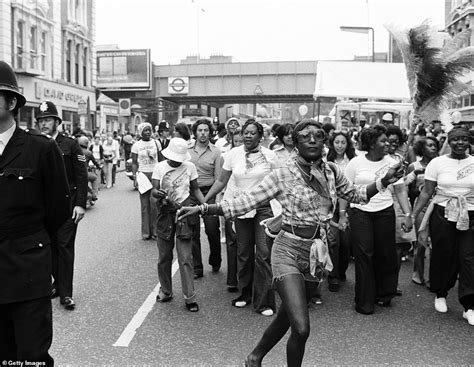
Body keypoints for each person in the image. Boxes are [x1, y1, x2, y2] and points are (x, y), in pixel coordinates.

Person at [177, 119, 404, 366]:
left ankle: (254, 357)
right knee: (302, 327)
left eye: (318, 135)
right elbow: (244, 202)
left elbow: (357, 195)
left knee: (288, 317)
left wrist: (385, 180)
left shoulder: (331, 172)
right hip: (287, 250)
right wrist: (203, 208)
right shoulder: (282, 174)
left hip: (316, 255)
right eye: (306, 136)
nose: (313, 140)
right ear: (295, 143)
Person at [0, 60, 70, 365]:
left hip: (28, 272)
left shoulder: (39, 149)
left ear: (11, 102)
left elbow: (58, 212)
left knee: (31, 358)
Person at [202, 119, 277, 316]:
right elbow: (221, 180)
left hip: (264, 208)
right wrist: (206, 200)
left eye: (253, 133)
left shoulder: (270, 156)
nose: (249, 136)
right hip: (241, 207)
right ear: (241, 135)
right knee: (243, 252)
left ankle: (264, 302)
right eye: (246, 132)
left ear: (260, 136)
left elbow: (280, 183)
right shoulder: (232, 155)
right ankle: (245, 294)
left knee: (263, 253)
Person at [344, 125, 412, 315]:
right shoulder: (355, 163)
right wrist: (342, 213)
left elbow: (400, 190)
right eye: (383, 141)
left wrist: (408, 214)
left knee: (385, 254)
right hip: (360, 212)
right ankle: (364, 300)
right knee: (364, 255)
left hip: (384, 212)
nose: (387, 143)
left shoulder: (393, 163)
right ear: (372, 144)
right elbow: (346, 191)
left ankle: (384, 294)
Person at [412, 126, 474, 325]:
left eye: (464, 139)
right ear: (449, 140)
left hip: (470, 213)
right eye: (455, 139)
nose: (460, 143)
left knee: (468, 258)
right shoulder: (437, 163)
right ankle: (441, 293)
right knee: (443, 253)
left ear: (469, 141)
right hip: (442, 213)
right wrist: (413, 217)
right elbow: (426, 192)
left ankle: (469, 305)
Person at [36, 100, 88, 311]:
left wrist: (80, 205)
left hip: (68, 206)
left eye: (48, 119)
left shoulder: (70, 144)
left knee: (65, 248)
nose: (44, 124)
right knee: (49, 249)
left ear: (57, 121)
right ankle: (56, 283)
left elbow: (81, 175)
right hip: (45, 208)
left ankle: (66, 294)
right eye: (40, 120)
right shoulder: (36, 143)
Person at [151, 138, 205, 312]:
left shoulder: (190, 167)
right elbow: (154, 191)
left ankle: (190, 297)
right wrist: (158, 194)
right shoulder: (159, 167)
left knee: (185, 257)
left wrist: (205, 207)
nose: (177, 161)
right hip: (165, 215)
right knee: (164, 256)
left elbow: (195, 189)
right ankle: (166, 291)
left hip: (184, 214)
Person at [188, 119, 223, 278]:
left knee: (212, 229)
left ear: (210, 132)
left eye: (206, 130)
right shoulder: (187, 151)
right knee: (193, 231)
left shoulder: (216, 152)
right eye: (200, 130)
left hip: (209, 192)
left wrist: (207, 199)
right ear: (195, 132)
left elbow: (218, 179)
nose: (203, 133)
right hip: (190, 193)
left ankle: (215, 260)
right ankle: (197, 268)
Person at [406, 136, 439, 286]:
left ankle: (435, 277)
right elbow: (408, 191)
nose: (433, 148)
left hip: (438, 206)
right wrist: (421, 190)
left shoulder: (440, 165)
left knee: (437, 244)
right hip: (421, 207)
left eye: (435, 145)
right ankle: (418, 274)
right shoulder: (414, 166)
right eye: (430, 145)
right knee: (421, 242)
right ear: (422, 149)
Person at [325, 131, 356, 292]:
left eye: (343, 142)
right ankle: (333, 276)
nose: (340, 145)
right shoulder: (326, 161)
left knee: (345, 243)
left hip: (349, 204)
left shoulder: (353, 161)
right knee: (333, 240)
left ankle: (341, 270)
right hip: (330, 204)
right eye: (337, 142)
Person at [131, 122, 161, 240]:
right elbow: (134, 162)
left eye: (150, 130)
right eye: (145, 130)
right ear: (140, 132)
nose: (148, 132)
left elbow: (161, 159)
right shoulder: (136, 145)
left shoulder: (156, 143)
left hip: (155, 174)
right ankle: (146, 233)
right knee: (144, 205)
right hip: (142, 175)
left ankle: (155, 231)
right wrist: (135, 176)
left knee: (154, 203)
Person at [78, 136, 101, 205]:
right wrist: (99, 166)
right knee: (95, 178)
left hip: (74, 173)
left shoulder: (74, 151)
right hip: (84, 173)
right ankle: (94, 195)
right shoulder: (88, 153)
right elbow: (95, 162)